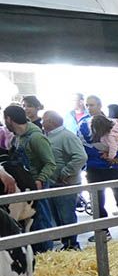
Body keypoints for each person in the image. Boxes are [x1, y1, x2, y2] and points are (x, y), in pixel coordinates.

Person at [78, 95, 118, 240]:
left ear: (100, 105)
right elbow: (83, 144)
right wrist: (103, 154)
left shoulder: (113, 123)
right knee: (97, 201)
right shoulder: (83, 124)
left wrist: (116, 154)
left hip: (114, 167)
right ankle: (102, 231)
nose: (89, 108)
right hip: (94, 169)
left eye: (92, 105)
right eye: (87, 105)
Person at [4, 104, 56, 250]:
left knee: (42, 220)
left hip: (37, 184)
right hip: (24, 186)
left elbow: (50, 163)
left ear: (9, 119)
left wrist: (40, 179)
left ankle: (47, 253)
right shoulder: (17, 138)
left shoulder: (36, 137)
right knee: (29, 223)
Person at [41, 111, 86, 250]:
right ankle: (66, 244)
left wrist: (65, 172)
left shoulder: (66, 136)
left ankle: (72, 244)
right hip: (54, 183)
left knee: (66, 216)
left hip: (66, 184)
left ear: (51, 122)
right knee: (58, 217)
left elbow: (81, 157)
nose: (42, 123)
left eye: (44, 120)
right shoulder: (48, 136)